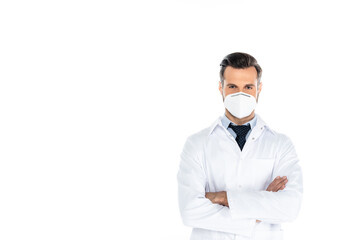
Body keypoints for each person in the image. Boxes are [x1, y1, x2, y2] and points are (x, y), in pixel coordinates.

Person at [177, 52, 303, 240]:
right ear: (221, 88)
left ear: (259, 89)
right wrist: (261, 208)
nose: (240, 94)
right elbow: (189, 211)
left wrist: (221, 197)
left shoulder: (280, 144)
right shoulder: (196, 144)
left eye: (248, 87)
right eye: (233, 86)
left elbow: (289, 207)